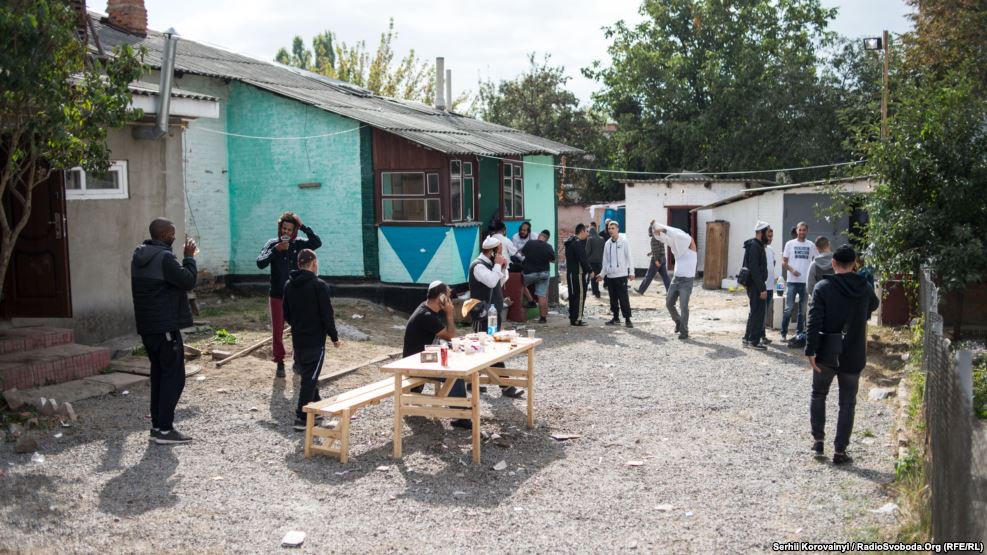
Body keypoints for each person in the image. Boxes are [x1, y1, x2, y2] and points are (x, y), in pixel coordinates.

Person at [805, 244, 880, 464]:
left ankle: (818, 440)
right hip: (853, 351)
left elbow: (814, 321)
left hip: (827, 351)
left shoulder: (823, 287)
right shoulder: (864, 287)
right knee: (847, 402)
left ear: (833, 263)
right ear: (855, 264)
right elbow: (874, 305)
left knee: (819, 394)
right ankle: (840, 451)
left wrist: (811, 350)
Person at [131, 218, 197, 445]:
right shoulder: (165, 258)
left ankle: (158, 426)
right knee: (174, 377)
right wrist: (189, 258)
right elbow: (187, 281)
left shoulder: (139, 255)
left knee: (159, 375)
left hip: (148, 327)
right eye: (172, 233)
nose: (175, 237)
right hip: (164, 327)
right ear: (165, 235)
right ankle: (165, 429)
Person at [256, 212, 322, 378]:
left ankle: (297, 360)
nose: (286, 232)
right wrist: (276, 250)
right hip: (277, 294)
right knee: (277, 330)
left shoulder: (299, 244)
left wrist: (303, 226)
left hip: (297, 295)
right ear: (280, 228)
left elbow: (317, 242)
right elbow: (260, 263)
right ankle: (279, 361)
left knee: (298, 329)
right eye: (284, 228)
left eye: (290, 230)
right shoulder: (272, 244)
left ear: (294, 231)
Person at [282, 249, 340, 431]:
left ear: (299, 264)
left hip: (298, 340)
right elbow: (327, 315)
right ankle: (301, 417)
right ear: (314, 264)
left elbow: (287, 314)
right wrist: (334, 337)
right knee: (310, 378)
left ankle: (318, 407)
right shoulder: (319, 285)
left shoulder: (288, 285)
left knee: (308, 374)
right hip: (315, 341)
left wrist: (299, 326)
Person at [402, 281, 470, 429]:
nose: (450, 300)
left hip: (423, 359)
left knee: (455, 364)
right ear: (442, 298)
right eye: (448, 296)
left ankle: (462, 409)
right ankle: (462, 416)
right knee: (454, 375)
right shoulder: (426, 315)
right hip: (415, 364)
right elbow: (451, 335)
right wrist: (450, 313)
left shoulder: (426, 309)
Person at [469, 237, 524, 398]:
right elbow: (492, 282)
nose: (500, 254)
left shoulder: (490, 265)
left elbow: (500, 281)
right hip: (482, 314)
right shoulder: (478, 266)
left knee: (486, 347)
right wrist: (498, 265)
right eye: (498, 251)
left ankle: (473, 382)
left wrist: (503, 267)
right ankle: (505, 385)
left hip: (492, 312)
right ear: (492, 252)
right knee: (485, 347)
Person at [652, 222, 698, 339]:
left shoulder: (691, 247)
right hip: (676, 279)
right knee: (669, 304)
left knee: (683, 306)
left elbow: (678, 236)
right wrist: (657, 231)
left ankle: (684, 331)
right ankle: (678, 321)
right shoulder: (677, 249)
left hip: (686, 282)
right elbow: (667, 239)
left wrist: (664, 229)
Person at [780, 222, 818, 343]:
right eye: (800, 230)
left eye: (804, 230)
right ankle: (783, 333)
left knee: (802, 310)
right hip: (792, 281)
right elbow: (784, 262)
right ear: (796, 231)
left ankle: (799, 334)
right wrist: (792, 270)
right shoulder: (789, 244)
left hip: (805, 282)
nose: (802, 232)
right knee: (789, 308)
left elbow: (817, 261)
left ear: (807, 231)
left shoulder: (811, 245)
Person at [597, 220, 634, 328]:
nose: (611, 230)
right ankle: (616, 318)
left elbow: (630, 258)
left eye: (613, 228)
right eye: (609, 228)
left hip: (621, 275)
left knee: (623, 298)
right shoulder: (607, 244)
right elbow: (605, 261)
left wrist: (631, 272)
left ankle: (627, 319)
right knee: (613, 298)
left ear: (617, 229)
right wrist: (602, 274)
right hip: (610, 276)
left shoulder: (624, 242)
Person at [742, 222, 770, 350]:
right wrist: (762, 288)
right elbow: (754, 270)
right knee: (758, 313)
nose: (769, 235)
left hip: (755, 285)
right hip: (755, 286)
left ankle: (748, 338)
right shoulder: (754, 246)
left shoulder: (758, 245)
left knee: (754, 312)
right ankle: (753, 341)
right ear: (760, 232)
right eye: (767, 232)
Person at [520, 230, 556, 323]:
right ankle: (543, 318)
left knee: (521, 285)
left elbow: (522, 253)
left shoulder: (530, 243)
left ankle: (531, 301)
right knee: (542, 295)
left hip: (530, 273)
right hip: (544, 273)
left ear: (539, 236)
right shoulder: (549, 247)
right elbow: (553, 260)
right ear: (547, 239)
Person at [564, 224, 594, 326]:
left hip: (570, 274)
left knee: (572, 296)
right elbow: (583, 259)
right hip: (578, 274)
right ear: (582, 231)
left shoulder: (569, 242)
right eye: (587, 231)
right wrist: (590, 271)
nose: (588, 234)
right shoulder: (577, 243)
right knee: (580, 296)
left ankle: (573, 317)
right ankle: (577, 319)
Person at [636, 219, 670, 296]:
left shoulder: (654, 239)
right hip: (663, 259)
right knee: (665, 277)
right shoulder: (660, 237)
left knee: (649, 276)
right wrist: (651, 253)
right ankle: (670, 291)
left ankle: (641, 290)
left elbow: (656, 250)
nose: (650, 232)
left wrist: (656, 260)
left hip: (657, 260)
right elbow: (659, 249)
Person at [806, 236, 834, 302]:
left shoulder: (814, 264)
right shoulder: (837, 262)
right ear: (829, 244)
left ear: (817, 248)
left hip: (818, 301)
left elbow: (809, 286)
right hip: (835, 301)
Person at [763, 226, 778, 343]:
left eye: (771, 236)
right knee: (759, 313)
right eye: (768, 236)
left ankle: (762, 335)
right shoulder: (759, 249)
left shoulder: (771, 250)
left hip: (770, 287)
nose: (770, 238)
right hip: (762, 287)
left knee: (766, 313)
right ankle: (754, 335)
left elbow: (773, 263)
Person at [585, 221, 604, 299]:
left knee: (589, 278)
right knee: (596, 277)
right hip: (599, 262)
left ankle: (590, 292)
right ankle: (597, 292)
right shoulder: (601, 239)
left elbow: (587, 251)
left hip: (591, 262)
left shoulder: (590, 239)